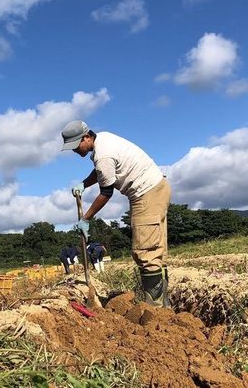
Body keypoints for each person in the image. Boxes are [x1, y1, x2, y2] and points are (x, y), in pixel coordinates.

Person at [61, 120, 171, 308]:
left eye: (76, 145)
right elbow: (101, 172)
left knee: (146, 252)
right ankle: (164, 306)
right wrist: (84, 184)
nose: (75, 151)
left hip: (145, 194)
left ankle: (156, 310)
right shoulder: (103, 139)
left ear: (87, 137)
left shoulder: (103, 155)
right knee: (156, 250)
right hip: (156, 188)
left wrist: (86, 218)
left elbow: (106, 193)